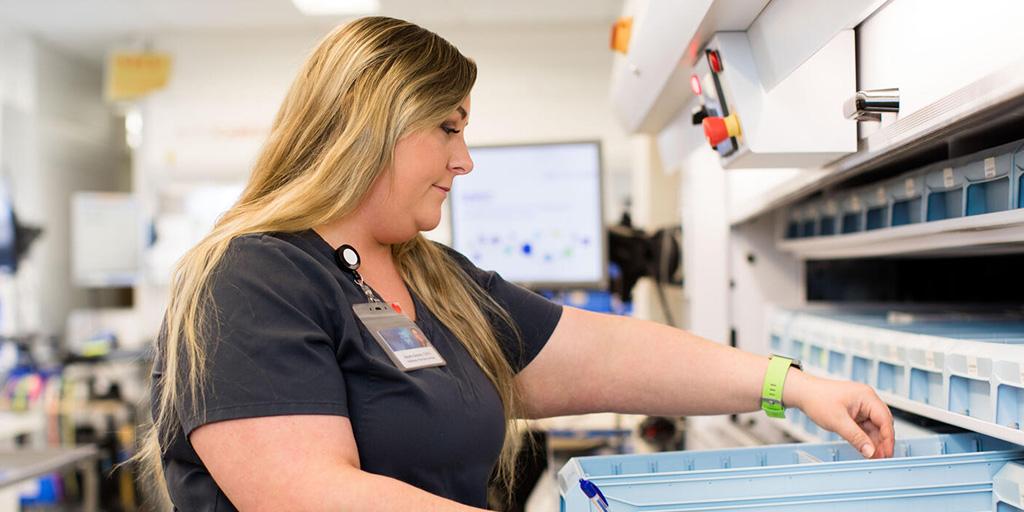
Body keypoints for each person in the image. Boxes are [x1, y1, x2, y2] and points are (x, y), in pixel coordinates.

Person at [136, 16, 895, 511]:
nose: (465, 161)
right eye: (448, 128)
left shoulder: (429, 275)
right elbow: (307, 494)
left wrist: (790, 386)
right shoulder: (248, 282)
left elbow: (605, 354)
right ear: (371, 128)